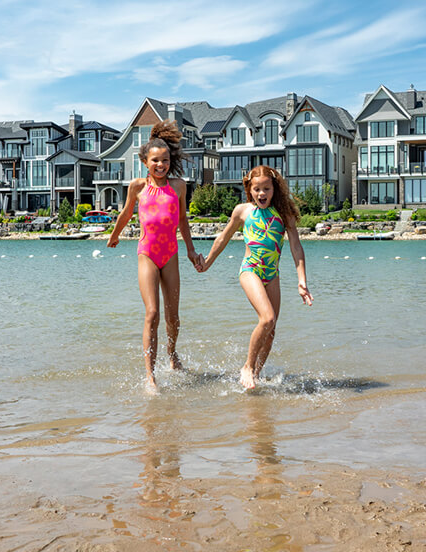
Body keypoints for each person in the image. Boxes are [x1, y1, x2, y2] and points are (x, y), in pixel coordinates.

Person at [107, 121, 203, 394]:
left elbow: (183, 219)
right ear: (145, 161)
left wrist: (190, 251)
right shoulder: (137, 186)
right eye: (155, 161)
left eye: (165, 160)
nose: (161, 165)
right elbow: (126, 213)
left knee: (173, 317)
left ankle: (172, 355)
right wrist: (115, 235)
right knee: (153, 313)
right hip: (147, 253)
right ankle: (150, 375)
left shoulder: (179, 186)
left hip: (171, 254)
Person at [198, 165, 312, 390]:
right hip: (250, 270)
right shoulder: (243, 211)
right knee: (267, 318)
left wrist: (302, 281)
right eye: (257, 189)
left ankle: (255, 377)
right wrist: (208, 262)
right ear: (249, 190)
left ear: (274, 189)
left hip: (273, 274)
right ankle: (248, 367)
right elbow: (223, 238)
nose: (262, 194)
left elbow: (296, 247)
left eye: (266, 189)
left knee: (270, 332)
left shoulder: (284, 213)